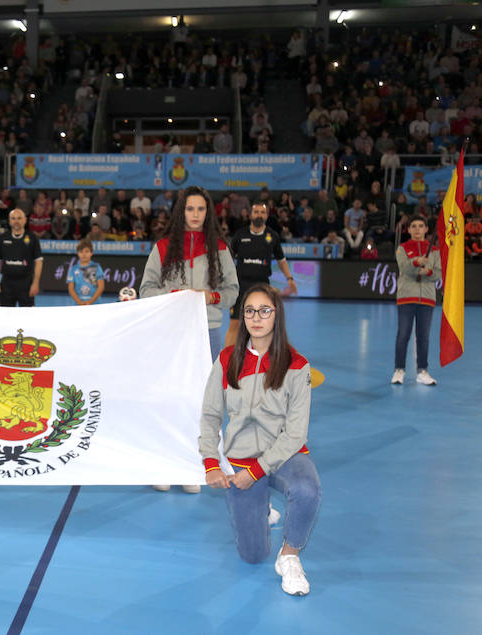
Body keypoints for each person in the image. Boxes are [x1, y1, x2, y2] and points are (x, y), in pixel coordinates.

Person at [200, 283, 321, 596]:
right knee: (252, 555)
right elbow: (211, 415)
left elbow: (296, 433)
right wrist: (211, 462)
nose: (256, 317)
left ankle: (290, 556)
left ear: (276, 316)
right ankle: (263, 509)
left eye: (264, 310)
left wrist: (256, 471)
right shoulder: (227, 360)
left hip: (285, 457)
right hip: (241, 461)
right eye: (250, 311)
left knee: (307, 490)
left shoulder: (296, 365)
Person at [140, 186, 238, 495]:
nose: (195, 215)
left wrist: (212, 296)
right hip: (170, 333)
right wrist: (175, 297)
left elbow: (232, 291)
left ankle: (194, 466)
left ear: (208, 213)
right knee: (168, 398)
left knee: (200, 403)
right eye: (190, 209)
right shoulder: (164, 246)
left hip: (206, 333)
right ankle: (164, 465)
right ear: (181, 212)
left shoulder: (219, 248)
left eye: (201, 209)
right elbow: (145, 289)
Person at [225, 201, 298, 347]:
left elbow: (281, 260)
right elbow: (228, 259)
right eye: (256, 212)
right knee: (235, 323)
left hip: (262, 287)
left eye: (263, 212)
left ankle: (267, 356)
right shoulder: (240, 235)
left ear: (267, 215)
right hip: (240, 287)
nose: (259, 215)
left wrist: (289, 278)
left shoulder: (273, 236)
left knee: (265, 323)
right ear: (251, 214)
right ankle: (227, 359)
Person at [392, 215, 440, 386]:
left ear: (426, 229)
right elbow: (403, 267)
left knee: (423, 336)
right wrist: (416, 262)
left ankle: (422, 371)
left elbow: (439, 273)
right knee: (403, 334)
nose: (417, 229)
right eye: (414, 226)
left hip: (427, 299)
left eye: (421, 226)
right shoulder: (402, 248)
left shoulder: (434, 251)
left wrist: (427, 272)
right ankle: (399, 370)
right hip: (406, 297)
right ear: (409, 229)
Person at [0, 208, 43, 307]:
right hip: (7, 283)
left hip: (26, 283)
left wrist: (36, 283)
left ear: (25, 220)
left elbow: (39, 262)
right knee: (4, 316)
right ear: (9, 221)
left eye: (19, 218)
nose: (16, 221)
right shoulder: (3, 238)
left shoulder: (32, 238)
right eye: (13, 218)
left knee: (28, 316)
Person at [67, 239, 105, 305]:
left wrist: (90, 302)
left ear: (91, 253)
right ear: (78, 253)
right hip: (78, 305)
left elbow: (101, 287)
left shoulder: (97, 267)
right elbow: (71, 288)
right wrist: (79, 302)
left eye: (87, 251)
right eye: (81, 252)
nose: (84, 254)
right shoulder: (73, 269)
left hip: (95, 304)